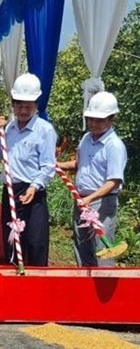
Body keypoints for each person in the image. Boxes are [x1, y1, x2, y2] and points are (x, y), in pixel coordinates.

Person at [0, 73, 57, 266]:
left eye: (28, 106)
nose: (23, 110)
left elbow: (47, 166)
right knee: (12, 241)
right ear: (13, 104)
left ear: (36, 105)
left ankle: (39, 286)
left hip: (33, 192)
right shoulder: (8, 129)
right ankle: (14, 285)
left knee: (36, 243)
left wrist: (35, 186)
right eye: (19, 105)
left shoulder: (44, 130)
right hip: (11, 192)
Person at [57, 92, 127, 267]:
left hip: (101, 203)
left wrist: (90, 198)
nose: (93, 124)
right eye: (91, 119)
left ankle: (104, 287)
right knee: (82, 247)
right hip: (81, 199)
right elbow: (81, 164)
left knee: (101, 248)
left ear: (111, 120)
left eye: (99, 120)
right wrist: (58, 165)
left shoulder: (114, 146)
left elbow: (114, 181)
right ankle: (85, 287)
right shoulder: (86, 139)